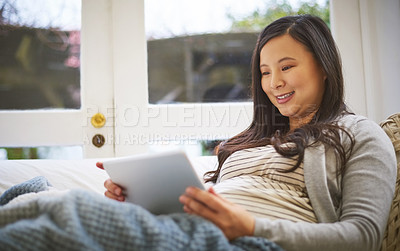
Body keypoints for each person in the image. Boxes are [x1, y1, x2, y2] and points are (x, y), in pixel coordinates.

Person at [98, 15, 396, 251]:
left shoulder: (361, 135)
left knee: (68, 212)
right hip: (187, 234)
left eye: (287, 67)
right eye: (265, 72)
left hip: (251, 243)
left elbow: (362, 238)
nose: (274, 82)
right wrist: (137, 199)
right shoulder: (247, 142)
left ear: (324, 67)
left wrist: (250, 227)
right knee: (72, 208)